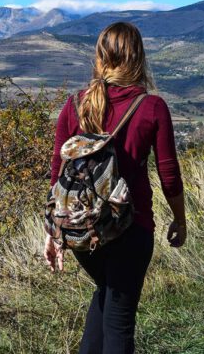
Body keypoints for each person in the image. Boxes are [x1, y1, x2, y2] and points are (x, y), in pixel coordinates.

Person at [44, 22, 186, 354]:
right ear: (138, 57)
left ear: (100, 56)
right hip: (131, 228)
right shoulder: (151, 107)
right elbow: (169, 175)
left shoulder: (75, 104)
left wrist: (53, 231)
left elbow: (58, 172)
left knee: (106, 298)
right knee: (119, 325)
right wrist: (180, 220)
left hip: (82, 230)